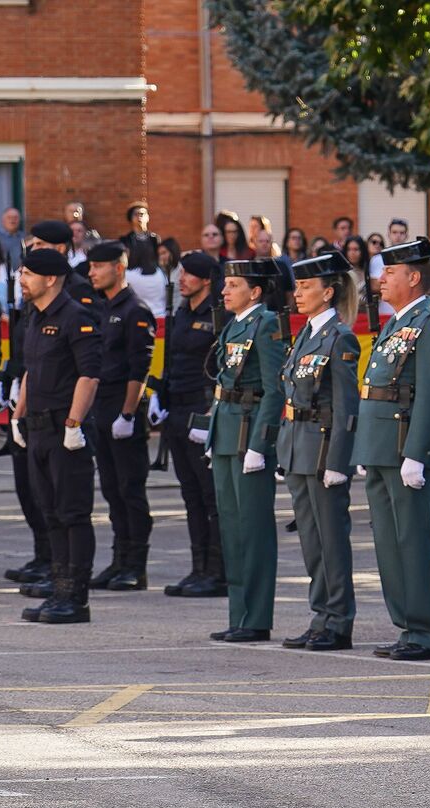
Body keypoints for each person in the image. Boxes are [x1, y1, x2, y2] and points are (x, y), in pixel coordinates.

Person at [351, 237, 430, 661]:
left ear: (413, 277)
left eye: (389, 272)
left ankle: (426, 631)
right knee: (389, 545)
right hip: (379, 447)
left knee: (412, 542)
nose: (381, 279)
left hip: (402, 447)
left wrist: (416, 452)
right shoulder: (394, 323)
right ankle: (407, 627)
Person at [277, 251, 362, 650]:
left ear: (328, 292)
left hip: (324, 449)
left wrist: (339, 461)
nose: (298, 293)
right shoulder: (308, 333)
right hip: (299, 447)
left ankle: (338, 619)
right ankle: (320, 615)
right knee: (312, 540)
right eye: (297, 285)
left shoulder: (339, 336)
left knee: (330, 539)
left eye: (306, 286)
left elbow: (346, 404)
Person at [13, 247, 101, 624]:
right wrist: (17, 415)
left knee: (72, 514)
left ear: (50, 279)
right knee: (50, 514)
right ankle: (58, 587)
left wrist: (74, 424)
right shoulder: (35, 317)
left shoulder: (76, 317)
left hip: (66, 433)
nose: (21, 279)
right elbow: (32, 371)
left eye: (28, 274)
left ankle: (75, 597)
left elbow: (88, 375)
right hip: (37, 429)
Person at [206, 257, 287, 642]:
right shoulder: (235, 325)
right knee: (232, 530)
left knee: (253, 530)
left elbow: (275, 388)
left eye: (232, 285)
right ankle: (239, 614)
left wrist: (261, 443)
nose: (224, 291)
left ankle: (256, 617)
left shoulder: (266, 323)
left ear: (254, 291)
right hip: (226, 433)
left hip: (248, 436)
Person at [84, 240, 157, 591]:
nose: (92, 273)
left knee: (130, 490)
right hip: (102, 408)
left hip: (122, 409)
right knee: (112, 490)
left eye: (98, 266)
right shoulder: (102, 307)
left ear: (119, 267)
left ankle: (136, 565)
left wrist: (128, 413)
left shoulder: (135, 310)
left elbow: (138, 369)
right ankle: (118, 559)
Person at [159, 250, 229, 598]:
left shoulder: (218, 315)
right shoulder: (181, 313)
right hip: (177, 407)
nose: (181, 279)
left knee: (209, 494)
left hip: (202, 407)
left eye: (188, 274)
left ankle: (217, 571)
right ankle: (198, 566)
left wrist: (211, 411)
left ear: (205, 279)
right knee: (190, 495)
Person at [121, 202, 165, 316]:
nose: (139, 217)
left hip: (153, 279)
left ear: (148, 217)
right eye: (136, 214)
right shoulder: (125, 240)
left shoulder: (154, 239)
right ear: (130, 218)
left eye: (142, 214)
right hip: (133, 279)